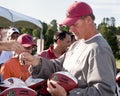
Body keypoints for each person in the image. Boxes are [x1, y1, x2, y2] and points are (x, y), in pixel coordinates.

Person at [20, 1, 116, 96]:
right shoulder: (77, 45)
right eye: (70, 25)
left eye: (74, 24)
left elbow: (104, 91)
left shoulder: (99, 49)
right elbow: (58, 66)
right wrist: (36, 62)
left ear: (88, 20)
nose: (70, 29)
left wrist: (67, 94)